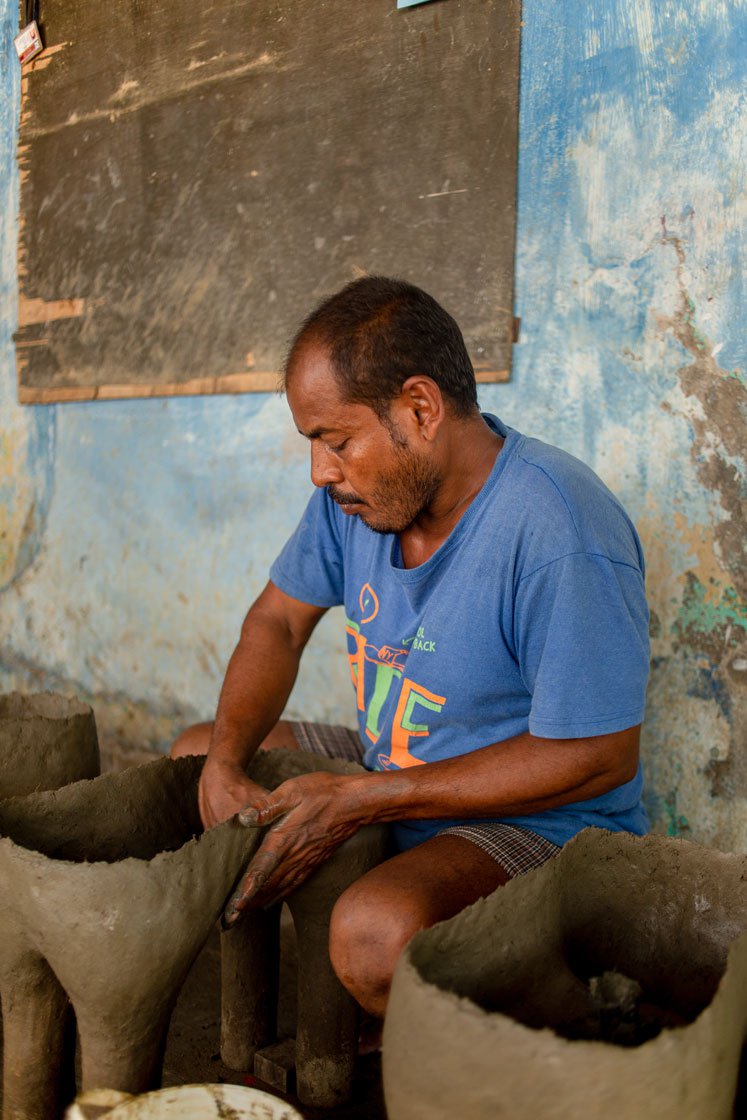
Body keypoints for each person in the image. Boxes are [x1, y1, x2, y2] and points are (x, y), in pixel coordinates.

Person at [171, 276, 650, 1018]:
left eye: (335, 441)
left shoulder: (557, 526)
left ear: (420, 410)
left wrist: (366, 798)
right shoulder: (354, 502)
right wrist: (229, 760)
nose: (319, 472)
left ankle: (558, 1024)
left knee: (373, 935)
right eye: (313, 444)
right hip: (390, 760)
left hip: (542, 822)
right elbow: (277, 621)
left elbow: (597, 756)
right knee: (194, 755)